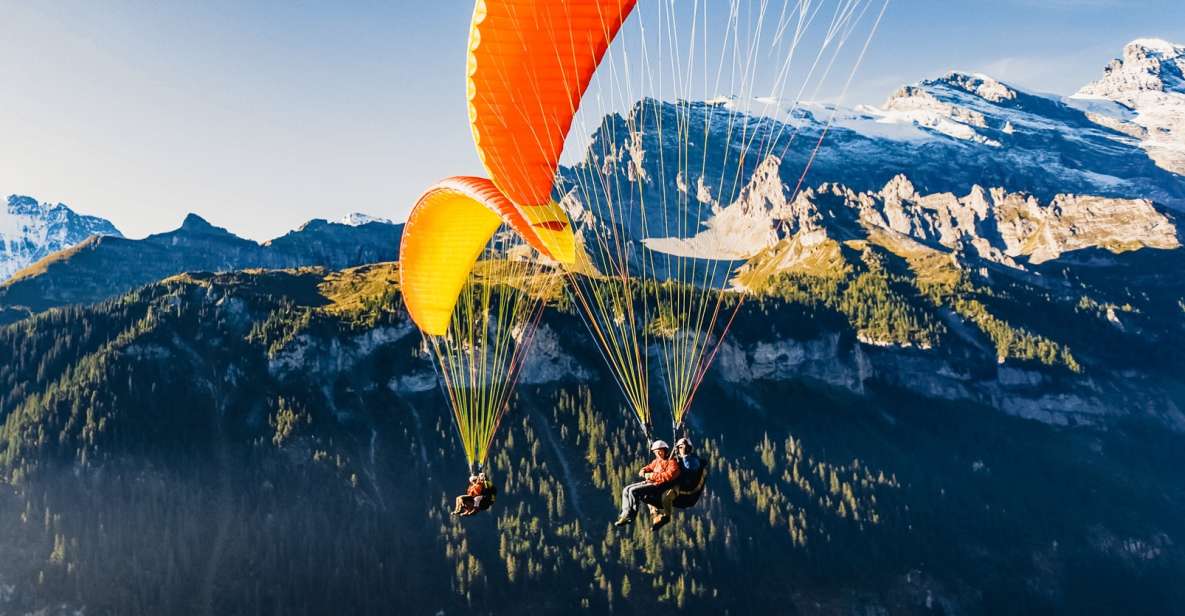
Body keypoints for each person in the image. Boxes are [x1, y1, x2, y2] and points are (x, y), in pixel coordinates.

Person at [614, 440, 680, 527]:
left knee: (634, 491)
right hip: (650, 482)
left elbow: (667, 476)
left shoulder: (672, 462)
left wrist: (651, 475)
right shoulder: (656, 461)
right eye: (656, 452)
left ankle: (631, 516)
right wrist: (644, 470)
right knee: (626, 490)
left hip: (658, 485)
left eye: (660, 451)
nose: (658, 453)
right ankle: (625, 514)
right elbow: (649, 467)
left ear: (665, 450)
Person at [652, 437, 705, 529]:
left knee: (666, 496)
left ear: (689, 448)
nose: (681, 449)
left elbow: (690, 469)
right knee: (648, 492)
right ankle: (656, 515)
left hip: (686, 492)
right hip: (676, 487)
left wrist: (685, 456)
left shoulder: (693, 460)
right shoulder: (675, 459)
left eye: (683, 447)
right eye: (679, 448)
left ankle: (666, 516)